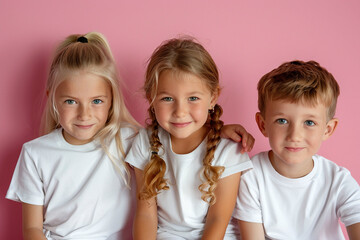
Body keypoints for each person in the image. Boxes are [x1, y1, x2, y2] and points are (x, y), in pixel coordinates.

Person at [6, 32, 141, 240]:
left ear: (112, 100)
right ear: (53, 99)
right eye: (71, 101)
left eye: (97, 101)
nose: (84, 114)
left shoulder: (128, 140)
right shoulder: (35, 153)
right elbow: (32, 229)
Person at [125, 37, 253, 240]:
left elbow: (217, 220)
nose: (180, 112)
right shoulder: (145, 142)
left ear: (212, 98)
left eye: (193, 98)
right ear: (151, 98)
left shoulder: (228, 150)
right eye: (167, 99)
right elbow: (146, 214)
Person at [234, 60, 360, 239]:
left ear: (328, 129)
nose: (295, 136)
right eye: (282, 121)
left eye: (309, 122)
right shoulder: (251, 177)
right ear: (263, 125)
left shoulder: (338, 182)